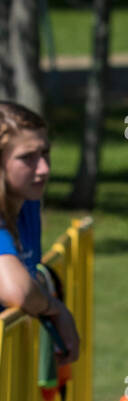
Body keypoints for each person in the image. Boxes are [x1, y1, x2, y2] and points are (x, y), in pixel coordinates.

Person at [0, 100, 79, 363]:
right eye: (27, 158)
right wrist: (54, 309)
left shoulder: (28, 204)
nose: (44, 169)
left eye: (45, 153)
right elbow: (17, 291)